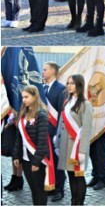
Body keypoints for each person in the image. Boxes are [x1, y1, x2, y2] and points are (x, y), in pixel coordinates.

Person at [13, 86, 55, 205]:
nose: (24, 100)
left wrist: (36, 162)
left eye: (26, 97)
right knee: (33, 189)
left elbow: (42, 142)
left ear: (35, 96)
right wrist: (16, 155)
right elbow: (18, 138)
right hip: (26, 159)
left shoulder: (41, 115)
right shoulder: (22, 114)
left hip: (37, 160)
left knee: (40, 191)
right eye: (22, 97)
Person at [56, 74, 93, 205]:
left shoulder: (85, 104)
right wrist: (57, 144)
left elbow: (87, 129)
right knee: (70, 175)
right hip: (66, 145)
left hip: (77, 147)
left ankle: (79, 202)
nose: (69, 86)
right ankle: (73, 201)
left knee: (78, 176)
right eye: (68, 83)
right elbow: (61, 124)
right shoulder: (66, 102)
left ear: (79, 85)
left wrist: (82, 150)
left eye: (72, 83)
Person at [41, 62, 66, 202]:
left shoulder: (61, 89)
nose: (42, 72)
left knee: (57, 162)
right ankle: (50, 186)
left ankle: (59, 189)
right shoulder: (42, 88)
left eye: (45, 70)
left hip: (55, 133)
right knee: (47, 162)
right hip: (43, 132)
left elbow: (62, 114)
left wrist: (58, 135)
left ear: (53, 71)